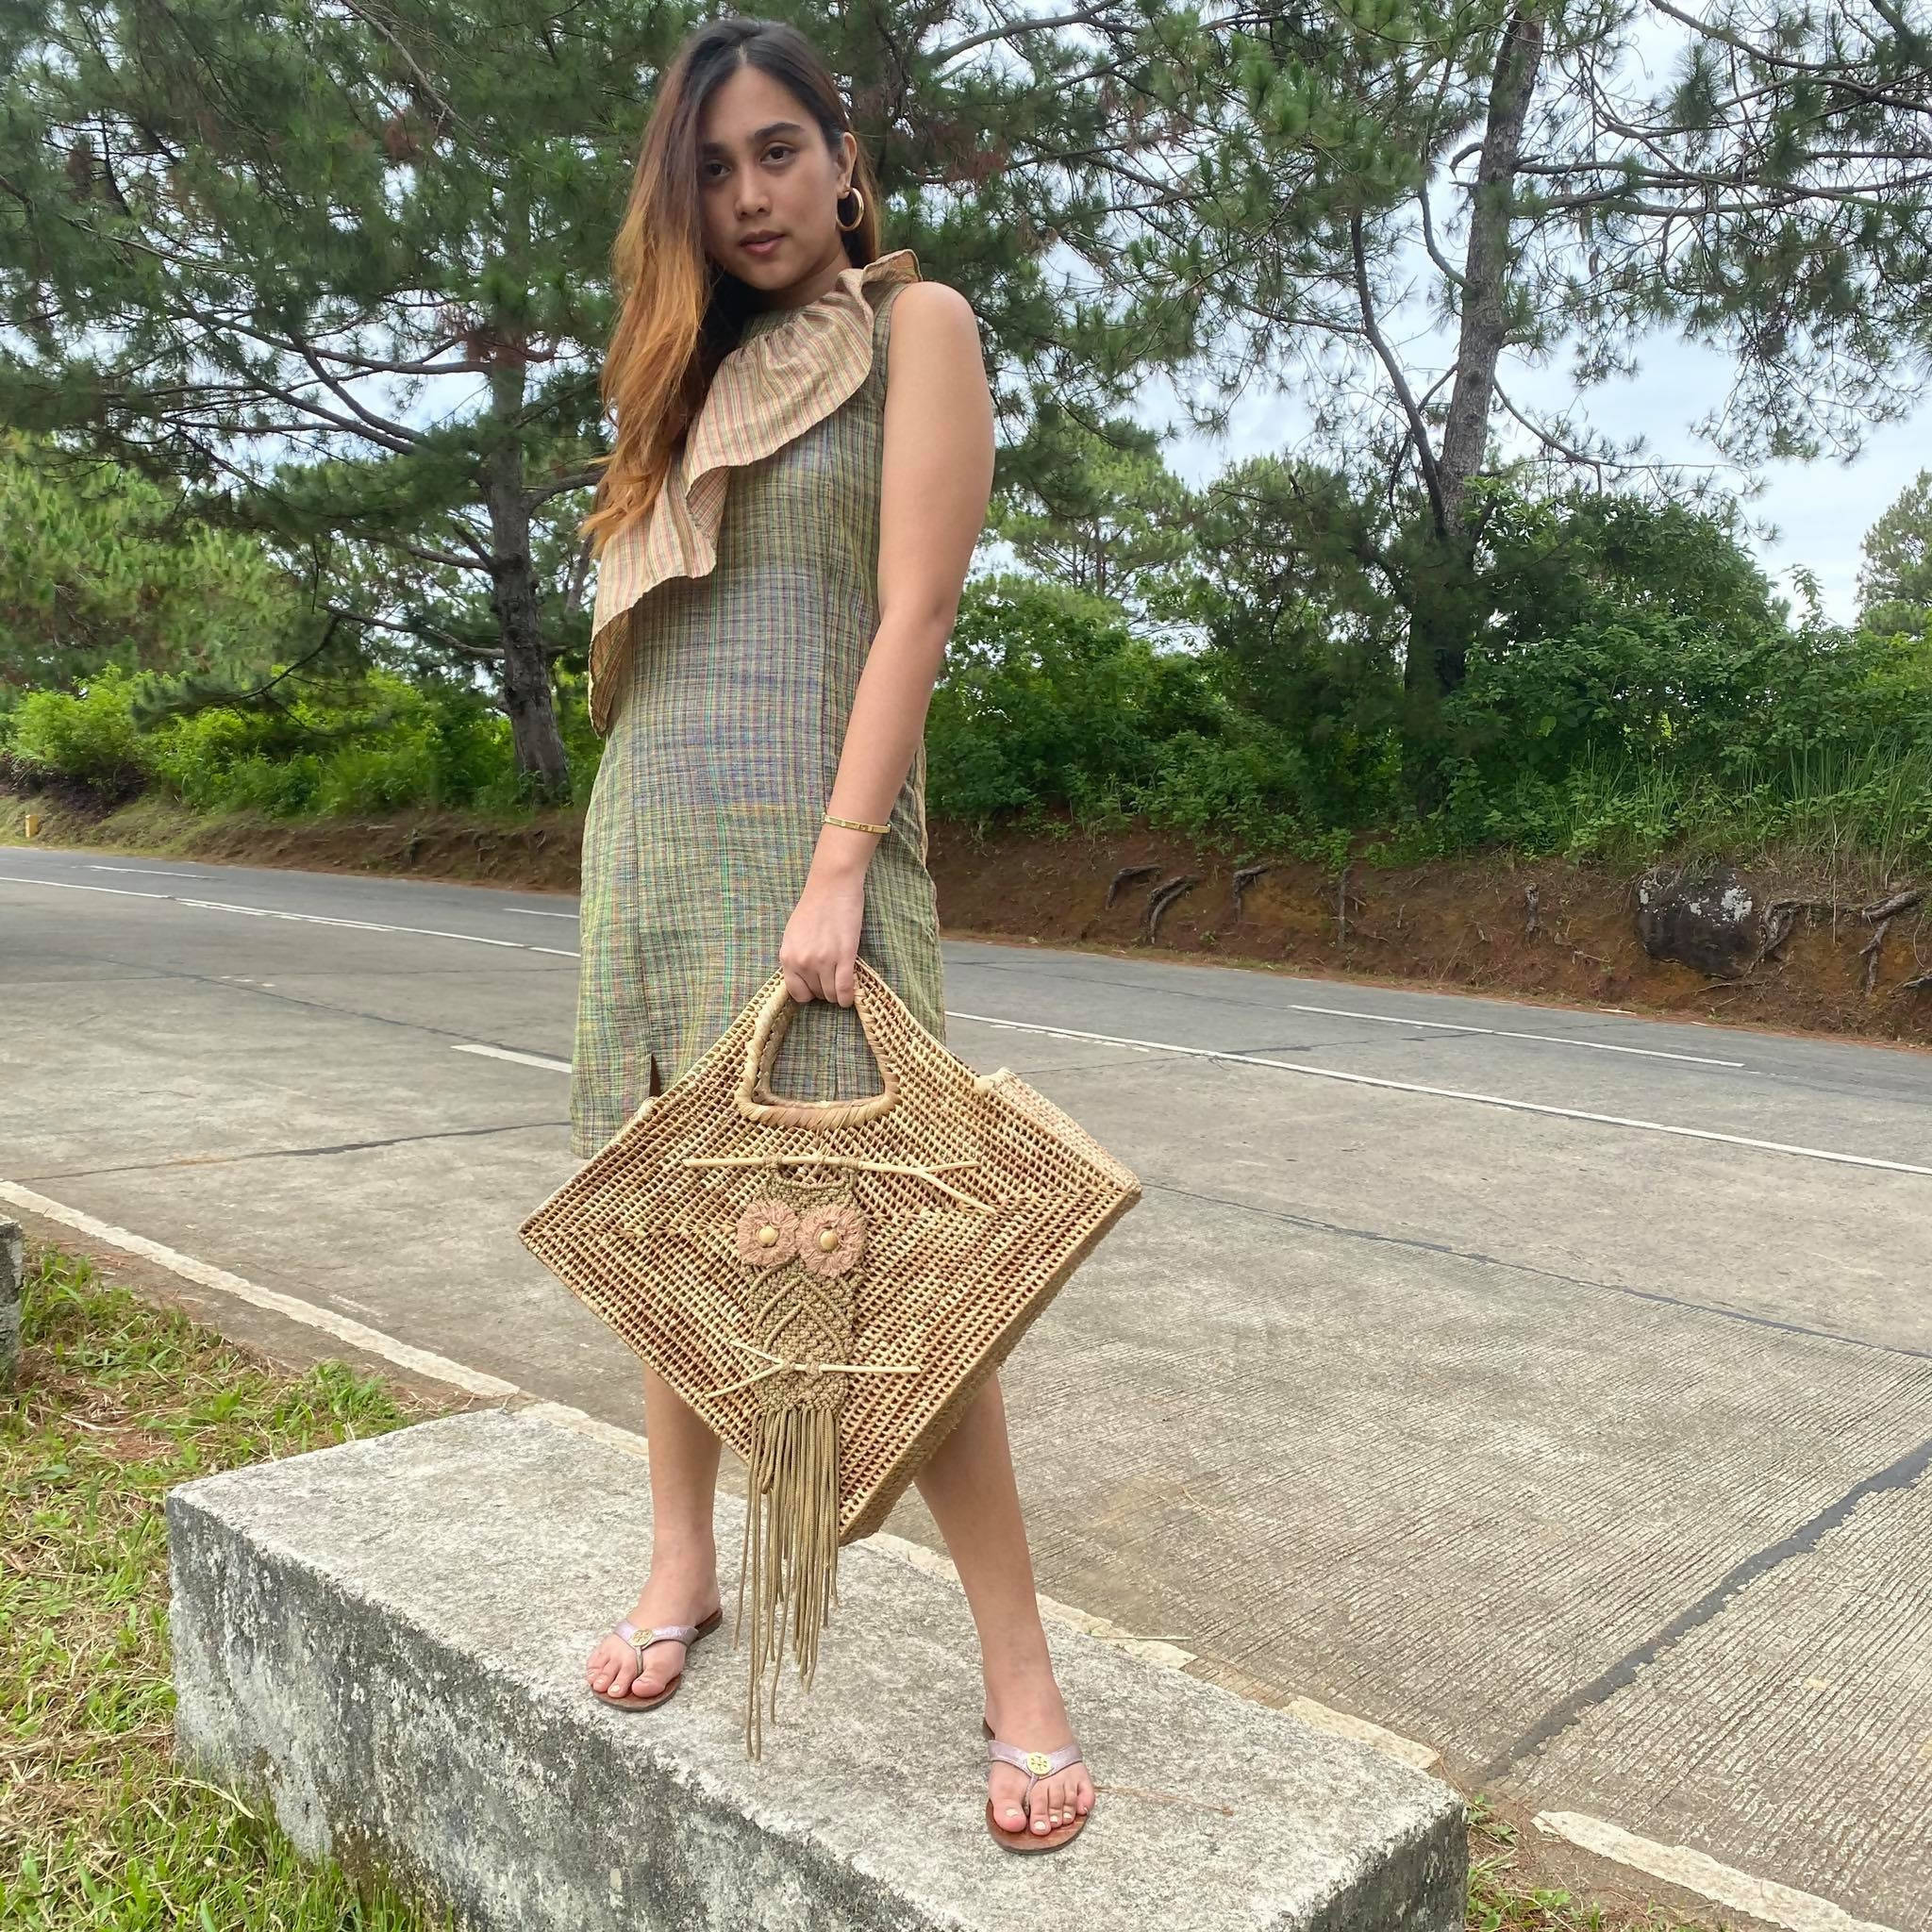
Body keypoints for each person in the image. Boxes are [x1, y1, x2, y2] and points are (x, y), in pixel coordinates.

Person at [569, 15, 1095, 1851]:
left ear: (844, 157)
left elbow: (915, 611)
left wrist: (841, 862)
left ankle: (1021, 1675)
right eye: (711, 169)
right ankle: (679, 1563)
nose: (749, 195)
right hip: (650, 851)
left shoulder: (913, 327)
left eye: (778, 150)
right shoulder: (680, 387)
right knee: (671, 1227)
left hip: (816, 861)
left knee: (887, 1268)